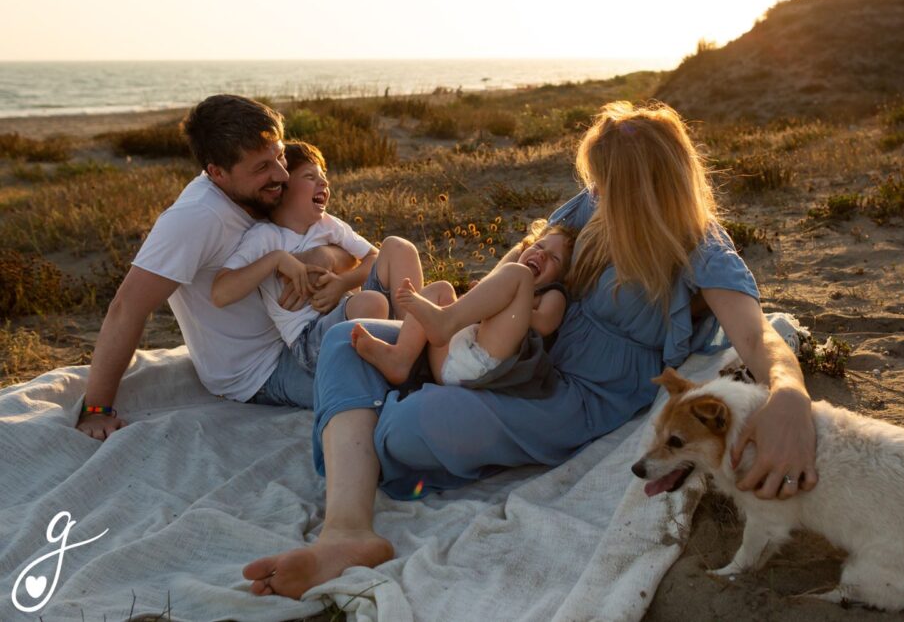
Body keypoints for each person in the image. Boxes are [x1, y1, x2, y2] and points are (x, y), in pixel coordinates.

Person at [242, 101, 818, 599]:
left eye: (608, 182)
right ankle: (346, 531)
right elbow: (516, 266)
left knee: (404, 428)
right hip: (519, 353)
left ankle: (370, 426)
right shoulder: (595, 202)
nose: (595, 193)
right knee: (347, 341)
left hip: (571, 395)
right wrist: (464, 336)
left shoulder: (699, 246)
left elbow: (757, 335)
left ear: (647, 186)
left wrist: (789, 395)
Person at [75, 95, 372, 440]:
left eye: (279, 156)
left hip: (309, 330)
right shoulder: (195, 218)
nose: (281, 174)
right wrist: (97, 409)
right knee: (378, 384)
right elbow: (127, 307)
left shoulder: (265, 191)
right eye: (262, 167)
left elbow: (347, 251)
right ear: (216, 172)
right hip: (263, 368)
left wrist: (322, 257)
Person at [211, 141, 387, 374]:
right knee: (372, 303)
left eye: (323, 176)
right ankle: (398, 350)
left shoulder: (327, 225)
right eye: (309, 176)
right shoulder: (265, 237)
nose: (324, 182)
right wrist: (276, 259)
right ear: (282, 189)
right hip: (309, 339)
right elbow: (220, 294)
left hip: (345, 313)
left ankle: (405, 344)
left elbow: (374, 256)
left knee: (398, 248)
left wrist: (343, 283)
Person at [351, 221, 574, 386]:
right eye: (539, 247)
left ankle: (444, 321)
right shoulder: (510, 282)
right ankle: (400, 358)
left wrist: (511, 303)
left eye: (554, 258)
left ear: (563, 276)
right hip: (454, 358)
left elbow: (545, 324)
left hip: (484, 367)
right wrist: (483, 299)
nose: (542, 255)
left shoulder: (553, 294)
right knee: (441, 289)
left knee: (520, 274)